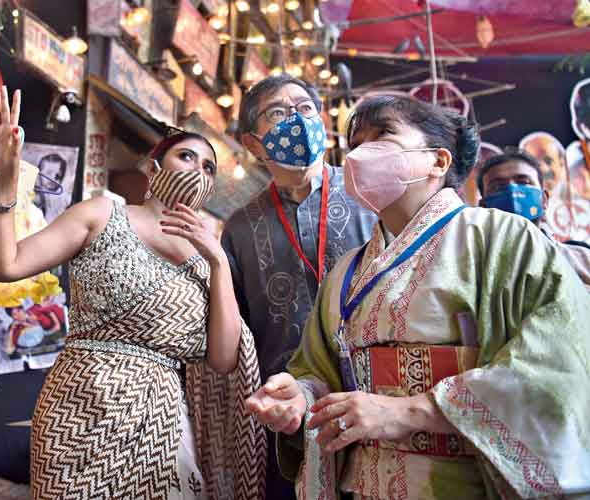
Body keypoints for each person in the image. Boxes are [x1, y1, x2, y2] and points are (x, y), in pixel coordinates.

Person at [246, 94, 590, 499]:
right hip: (363, 484)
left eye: (383, 134)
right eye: (355, 144)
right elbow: (321, 369)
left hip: (464, 483)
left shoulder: (502, 239)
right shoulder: (347, 272)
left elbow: (559, 359)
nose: (361, 154)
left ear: (439, 161)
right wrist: (302, 398)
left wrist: (412, 411)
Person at [0, 87, 266, 499]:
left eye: (208, 168)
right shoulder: (103, 214)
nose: (197, 171)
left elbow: (222, 359)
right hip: (79, 407)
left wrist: (218, 262)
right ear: (153, 168)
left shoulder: (207, 260)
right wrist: (4, 185)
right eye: (186, 156)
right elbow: (5, 266)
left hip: (159, 425)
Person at [223, 74, 377, 498]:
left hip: (376, 404)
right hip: (289, 415)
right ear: (253, 143)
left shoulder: (368, 193)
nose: (296, 118)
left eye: (305, 109)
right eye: (278, 112)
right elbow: (238, 330)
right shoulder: (240, 227)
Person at [478, 150, 590, 288]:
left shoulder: (584, 259)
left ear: (543, 199)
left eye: (523, 182)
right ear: (483, 207)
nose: (513, 191)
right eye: (498, 186)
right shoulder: (477, 278)